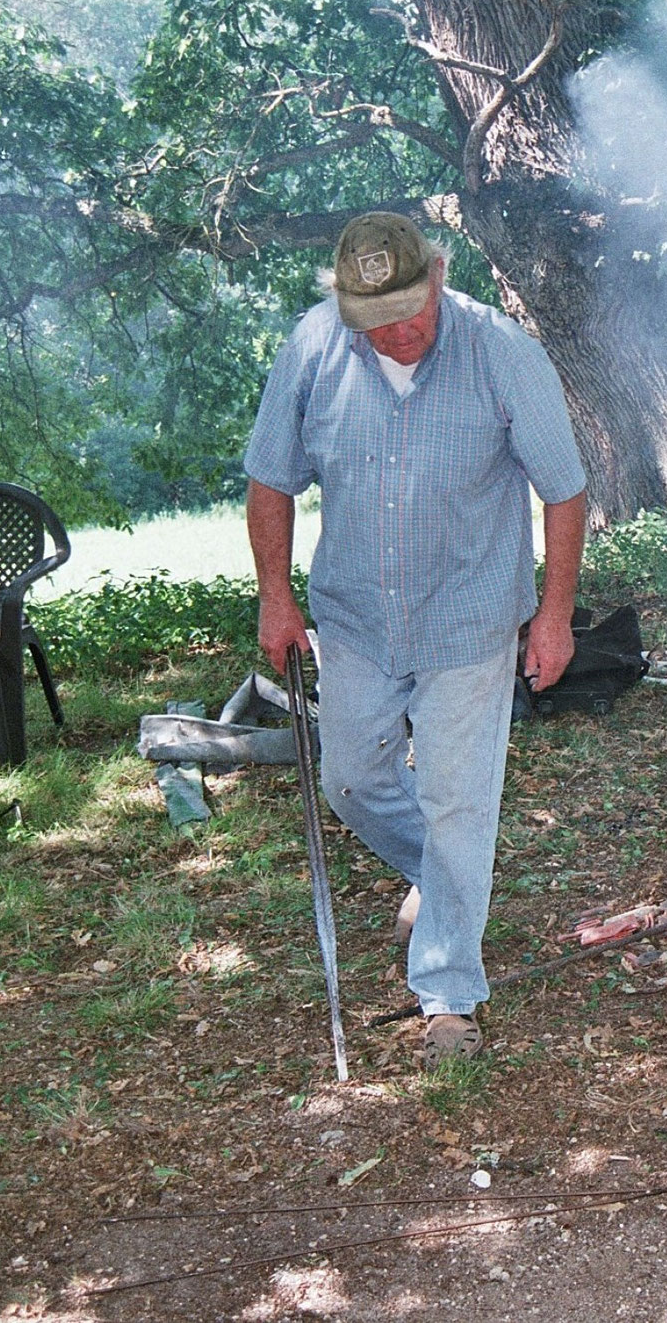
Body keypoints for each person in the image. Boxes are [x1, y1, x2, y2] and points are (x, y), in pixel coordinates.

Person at [245, 211, 590, 1066]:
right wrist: (275, 596)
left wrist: (553, 614)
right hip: (357, 615)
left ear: (438, 273)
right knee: (351, 778)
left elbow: (566, 489)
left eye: (411, 313)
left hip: (468, 617)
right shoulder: (316, 347)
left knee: (456, 800)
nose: (397, 337)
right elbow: (270, 477)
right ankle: (444, 885)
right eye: (377, 321)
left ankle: (448, 997)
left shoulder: (500, 349)